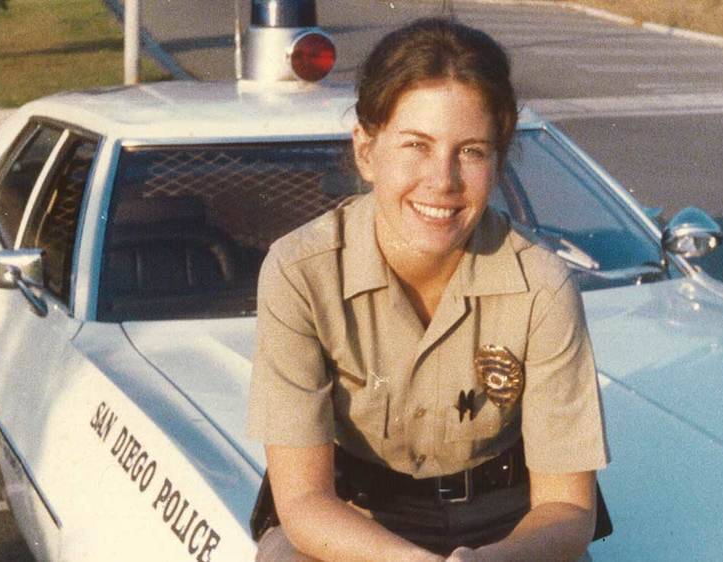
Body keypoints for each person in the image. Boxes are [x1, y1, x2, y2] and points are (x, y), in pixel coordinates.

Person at [247, 17, 609, 562]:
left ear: (497, 163)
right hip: (351, 521)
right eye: (416, 145)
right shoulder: (301, 273)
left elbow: (567, 510)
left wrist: (486, 561)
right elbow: (302, 499)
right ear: (367, 152)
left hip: (506, 527)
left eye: (471, 151)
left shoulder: (541, 286)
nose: (443, 180)